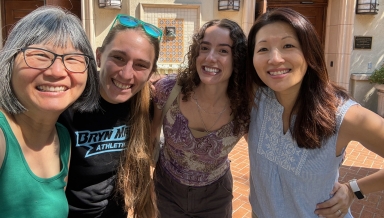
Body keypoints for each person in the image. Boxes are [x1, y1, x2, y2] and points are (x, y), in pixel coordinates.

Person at [246, 7, 384, 218]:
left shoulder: (342, 115)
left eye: (288, 45)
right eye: (263, 49)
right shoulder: (255, 101)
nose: (274, 58)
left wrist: (354, 189)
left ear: (309, 52)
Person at [58, 14, 162, 218]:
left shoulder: (146, 106)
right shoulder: (68, 102)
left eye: (141, 65)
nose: (126, 74)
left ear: (150, 73)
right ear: (99, 56)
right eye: (118, 58)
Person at [0, 6, 99, 218]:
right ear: (9, 62)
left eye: (73, 58)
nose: (56, 72)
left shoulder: (62, 139)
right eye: (40, 55)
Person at [151, 19, 253, 217]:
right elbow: (152, 135)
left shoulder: (246, 106)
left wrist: (332, 184)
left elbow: (263, 153)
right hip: (166, 189)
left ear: (238, 59)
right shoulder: (169, 89)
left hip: (215, 195)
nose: (210, 57)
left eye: (223, 51)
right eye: (204, 48)